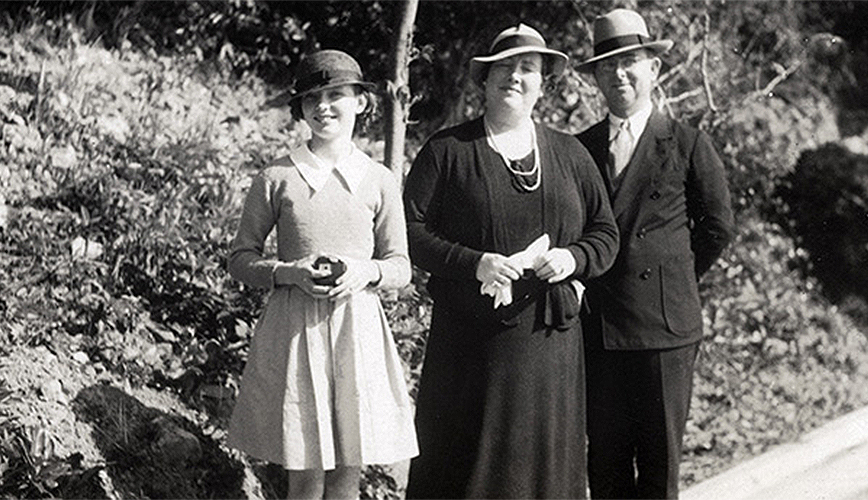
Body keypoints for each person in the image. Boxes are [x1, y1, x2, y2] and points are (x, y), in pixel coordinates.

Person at [403, 23, 619, 499]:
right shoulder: (447, 151)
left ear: (543, 83)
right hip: (470, 350)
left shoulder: (570, 154)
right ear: (484, 79)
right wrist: (473, 263)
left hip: (550, 350)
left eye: (528, 69)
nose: (515, 77)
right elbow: (410, 232)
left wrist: (572, 258)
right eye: (504, 68)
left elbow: (605, 234)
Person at [226, 49, 418, 499]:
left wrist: (364, 271)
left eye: (336, 95)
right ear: (300, 108)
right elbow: (240, 259)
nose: (324, 107)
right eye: (312, 98)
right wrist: (287, 272)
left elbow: (401, 266)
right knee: (305, 472)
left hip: (356, 330)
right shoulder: (277, 177)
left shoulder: (378, 179)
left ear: (361, 102)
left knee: (348, 470)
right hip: (296, 330)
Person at [574, 9, 736, 500]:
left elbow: (718, 227)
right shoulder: (579, 149)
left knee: (659, 467)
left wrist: (672, 279)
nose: (619, 74)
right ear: (596, 78)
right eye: (607, 66)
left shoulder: (687, 144)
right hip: (600, 330)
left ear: (653, 69)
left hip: (664, 333)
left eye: (630, 63)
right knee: (606, 465)